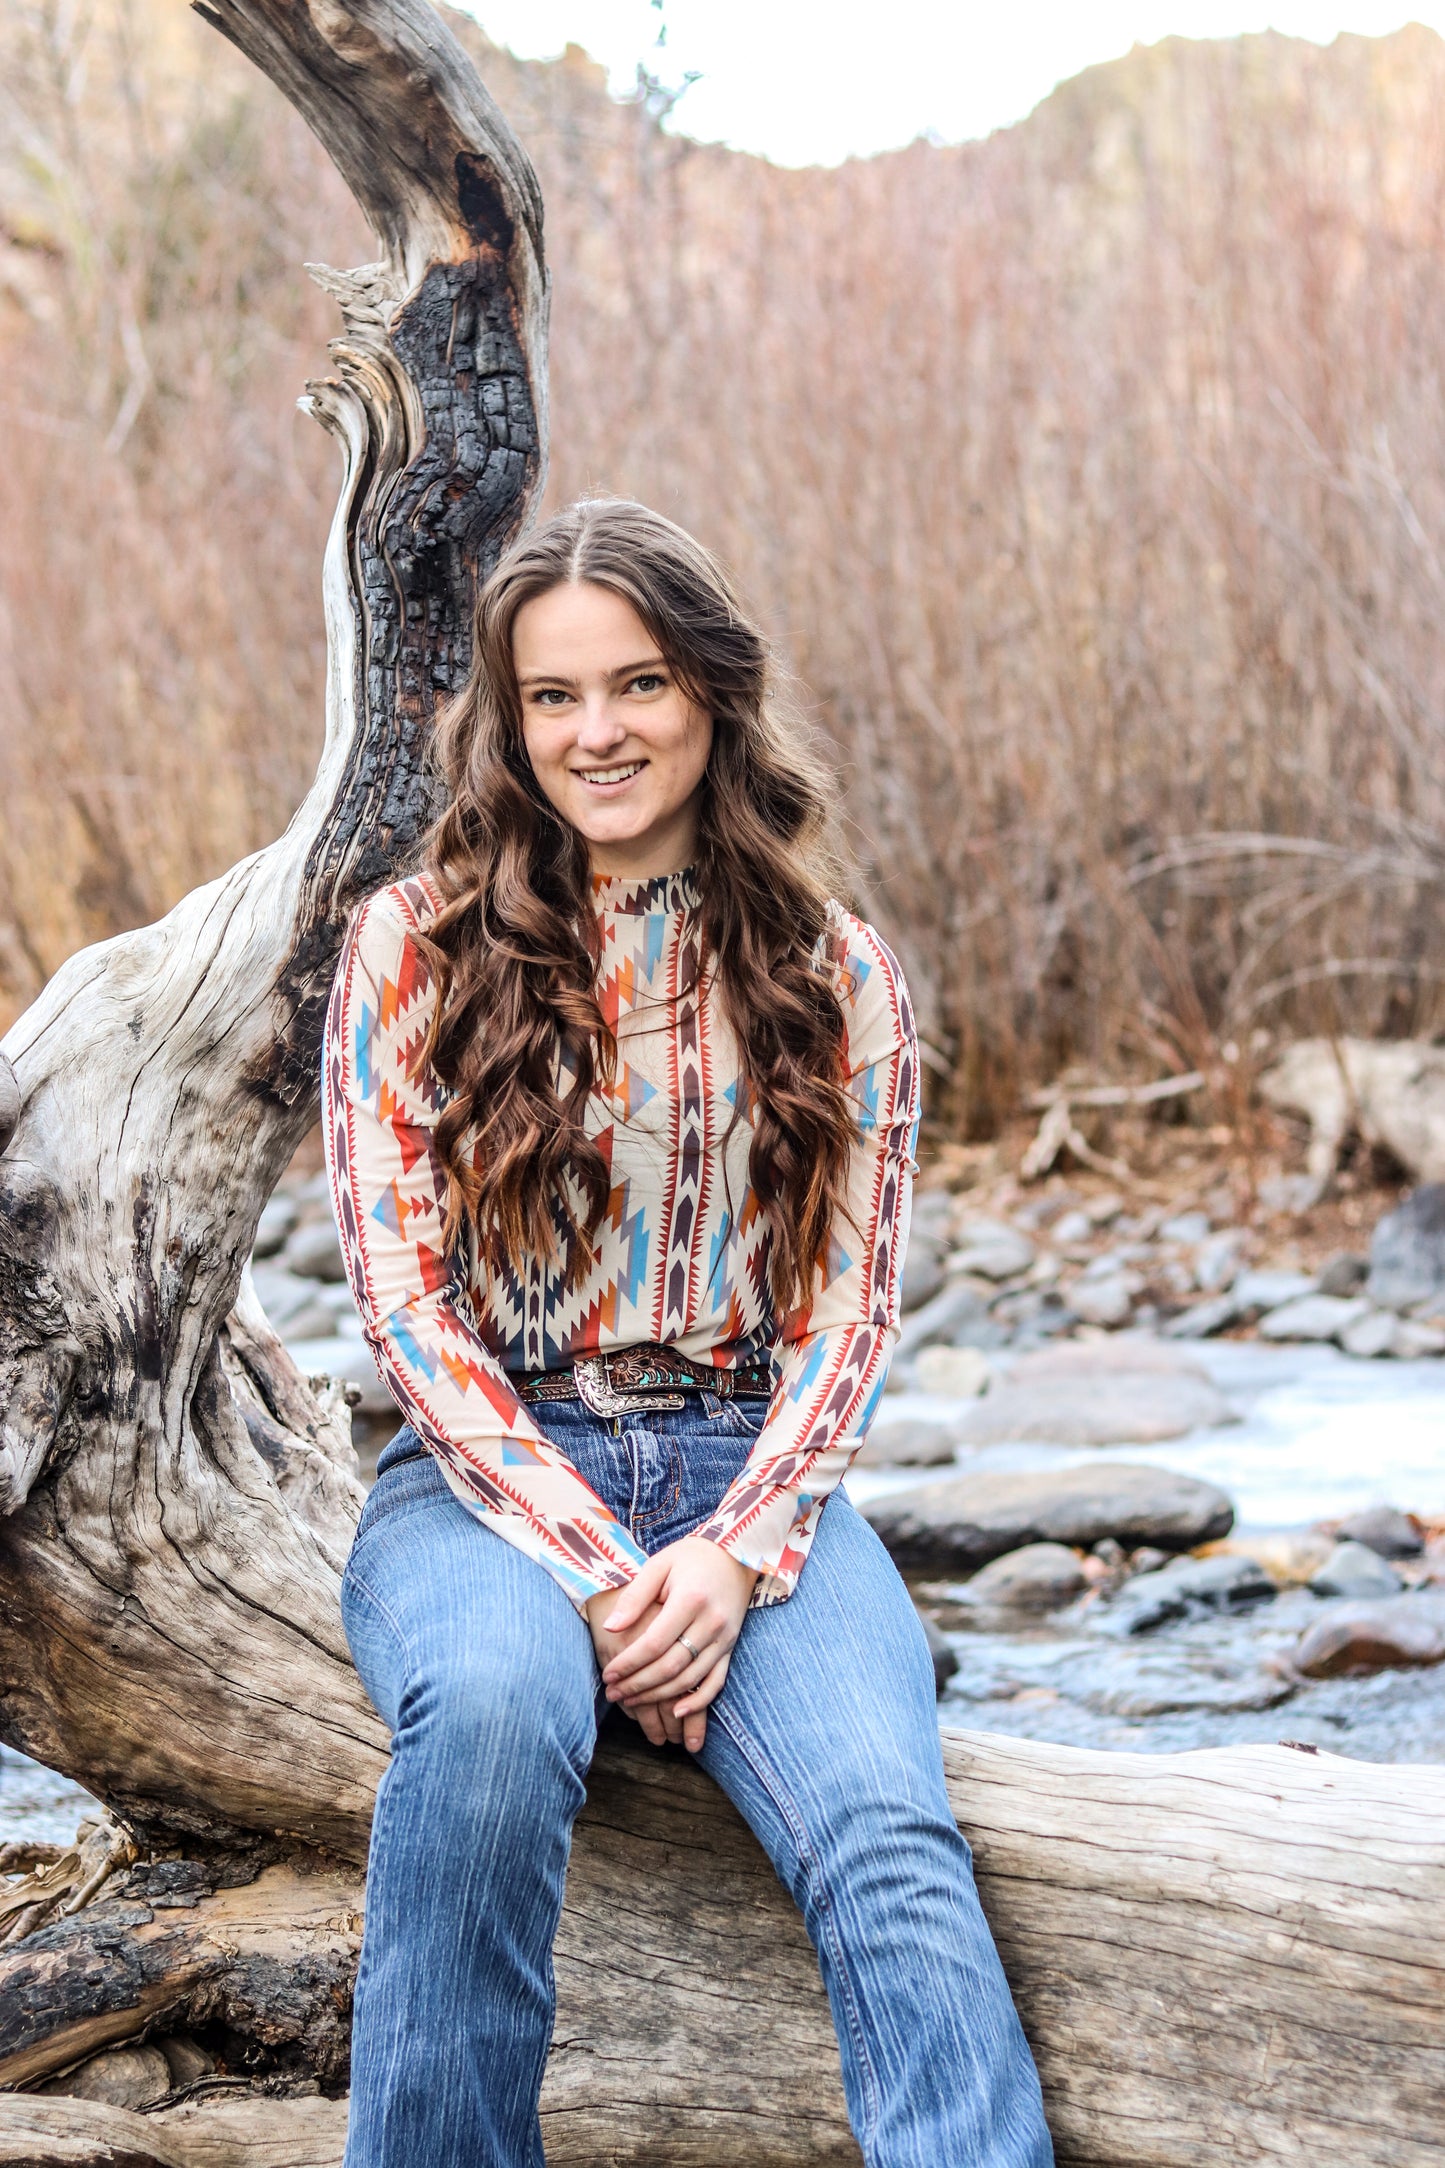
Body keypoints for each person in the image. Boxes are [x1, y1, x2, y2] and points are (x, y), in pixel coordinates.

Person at [323, 497, 1054, 2168]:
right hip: (482, 1482)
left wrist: (729, 1560)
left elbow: (853, 1310)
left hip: (752, 1484)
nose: (598, 732)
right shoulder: (412, 949)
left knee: (884, 1829)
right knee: (495, 1721)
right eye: (554, 696)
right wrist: (596, 1570)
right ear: (509, 724)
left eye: (637, 684)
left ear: (711, 695)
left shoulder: (834, 970)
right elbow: (402, 1306)